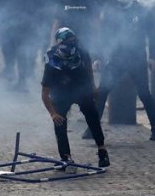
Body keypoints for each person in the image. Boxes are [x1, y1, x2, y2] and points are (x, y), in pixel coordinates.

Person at [93, 0, 155, 141]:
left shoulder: (143, 12)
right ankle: (93, 128)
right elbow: (103, 36)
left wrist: (153, 57)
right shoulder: (113, 12)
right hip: (116, 58)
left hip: (136, 59)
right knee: (102, 91)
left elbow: (154, 36)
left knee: (144, 93)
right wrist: (98, 57)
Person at [41, 28, 109, 168]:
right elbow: (45, 93)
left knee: (92, 117)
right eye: (68, 42)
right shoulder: (51, 62)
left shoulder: (81, 52)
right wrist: (53, 114)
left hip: (81, 89)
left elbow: (89, 67)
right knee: (59, 122)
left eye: (73, 42)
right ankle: (66, 157)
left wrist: (93, 86)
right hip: (61, 92)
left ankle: (102, 151)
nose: (71, 45)